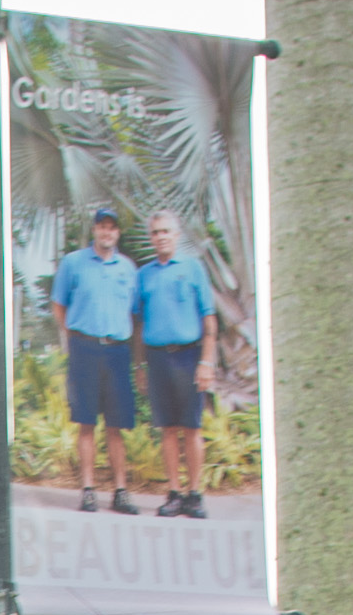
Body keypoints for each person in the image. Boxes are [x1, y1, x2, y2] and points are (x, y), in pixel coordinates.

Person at [49, 204, 144, 515]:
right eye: (102, 226)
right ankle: (88, 490)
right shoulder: (73, 263)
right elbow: (59, 306)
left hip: (117, 351)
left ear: (118, 233)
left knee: (116, 425)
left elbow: (135, 313)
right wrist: (75, 337)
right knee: (86, 422)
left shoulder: (128, 268)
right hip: (85, 349)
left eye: (112, 227)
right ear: (94, 230)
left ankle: (120, 491)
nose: (107, 232)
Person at [136, 211, 223, 519]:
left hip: (189, 356)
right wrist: (140, 366)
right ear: (152, 237)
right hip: (158, 357)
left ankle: (195, 494)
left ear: (177, 234)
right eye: (156, 232)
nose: (161, 236)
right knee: (168, 429)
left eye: (166, 231)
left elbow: (209, 320)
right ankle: (174, 493)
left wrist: (207, 362)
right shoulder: (144, 275)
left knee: (192, 427)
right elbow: (138, 321)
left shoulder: (193, 268)